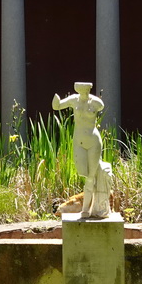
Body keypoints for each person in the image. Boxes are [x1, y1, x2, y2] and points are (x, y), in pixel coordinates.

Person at [52, 82, 112, 218]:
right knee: (83, 172)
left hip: (93, 140)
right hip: (79, 141)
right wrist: (56, 101)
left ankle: (86, 210)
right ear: (76, 89)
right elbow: (58, 106)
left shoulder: (96, 102)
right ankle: (89, 207)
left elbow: (101, 106)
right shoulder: (73, 99)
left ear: (89, 89)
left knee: (90, 177)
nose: (83, 91)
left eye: (86, 89)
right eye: (80, 89)